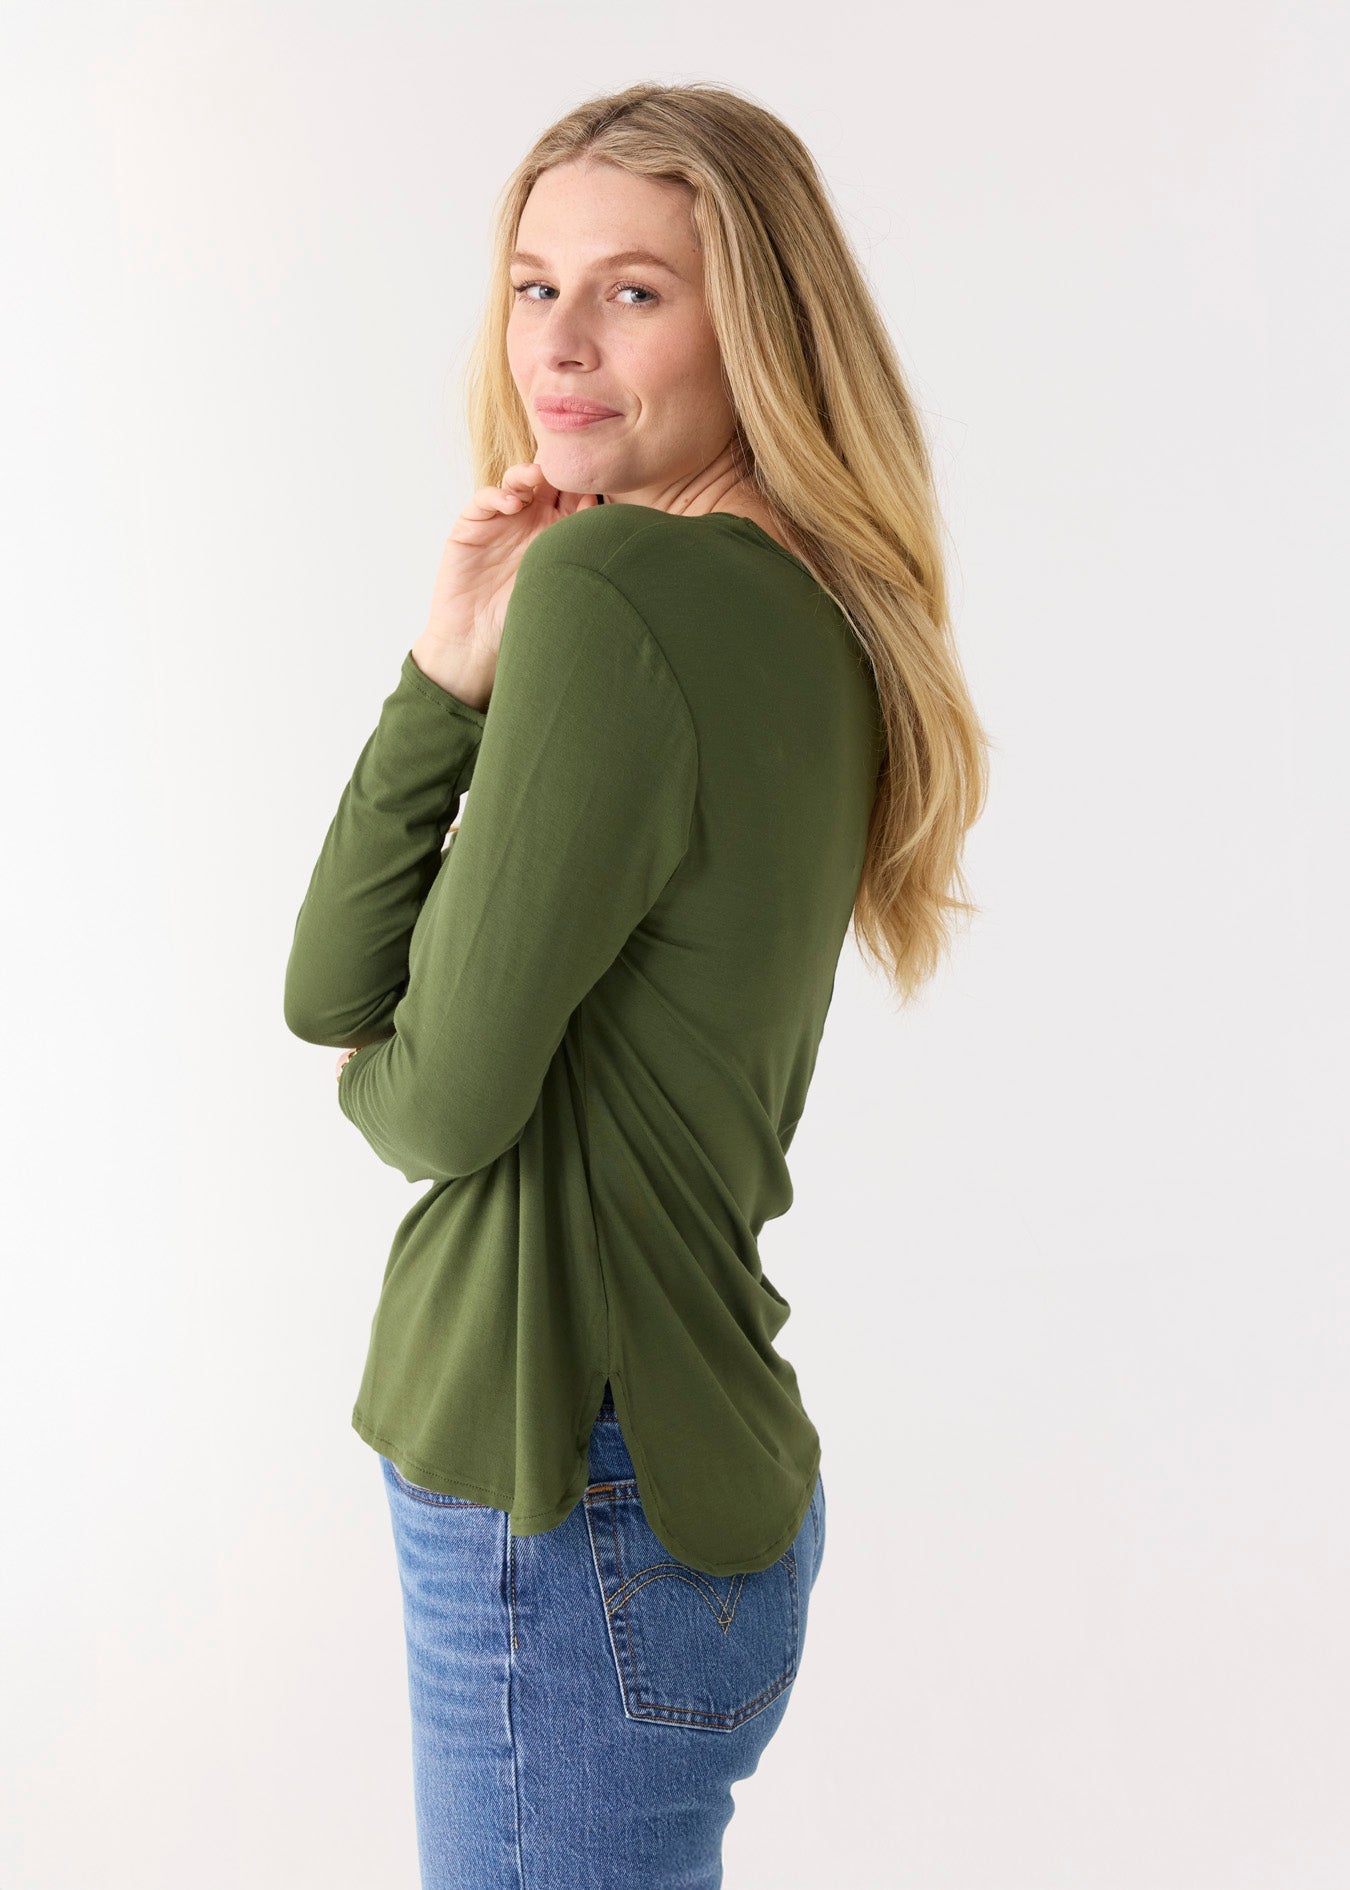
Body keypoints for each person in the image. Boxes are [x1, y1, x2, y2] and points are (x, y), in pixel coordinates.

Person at [284, 79, 989, 1890]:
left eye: (632, 292)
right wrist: (455, 661)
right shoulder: (824, 613)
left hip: (562, 1473)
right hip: (693, 1484)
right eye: (533, 287)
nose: (560, 347)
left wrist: (441, 698)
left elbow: (399, 1071)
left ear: (753, 321)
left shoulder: (613, 587)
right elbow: (353, 1002)